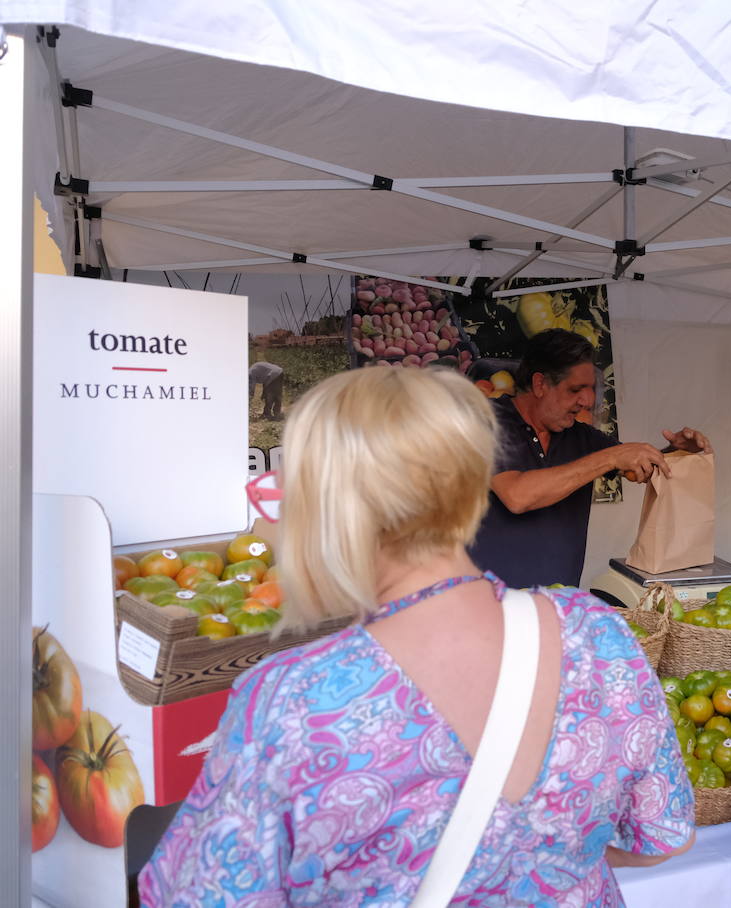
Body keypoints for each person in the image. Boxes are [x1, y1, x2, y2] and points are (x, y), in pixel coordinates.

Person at [138, 366, 695, 905]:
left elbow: (201, 895)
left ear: (334, 505)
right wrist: (549, 862)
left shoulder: (289, 700)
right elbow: (664, 834)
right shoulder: (598, 634)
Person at [471, 329, 711, 588]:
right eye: (576, 389)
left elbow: (637, 468)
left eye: (591, 389)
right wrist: (610, 458)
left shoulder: (581, 436)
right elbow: (517, 496)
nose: (587, 400)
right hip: (486, 607)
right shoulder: (486, 421)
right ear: (540, 384)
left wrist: (678, 454)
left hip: (561, 606)